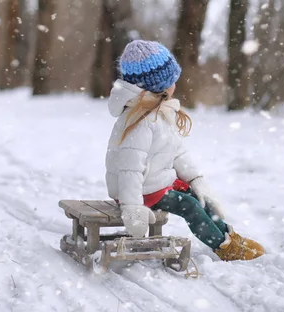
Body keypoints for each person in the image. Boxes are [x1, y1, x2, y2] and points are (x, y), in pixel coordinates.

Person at [105, 40, 265, 261]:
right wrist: (132, 207)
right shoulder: (140, 121)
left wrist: (195, 179)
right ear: (157, 86)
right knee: (189, 205)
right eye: (171, 81)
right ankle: (223, 247)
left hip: (155, 183)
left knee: (197, 197)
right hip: (139, 191)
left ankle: (227, 234)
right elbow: (129, 169)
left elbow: (177, 152)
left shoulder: (158, 111)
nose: (175, 85)